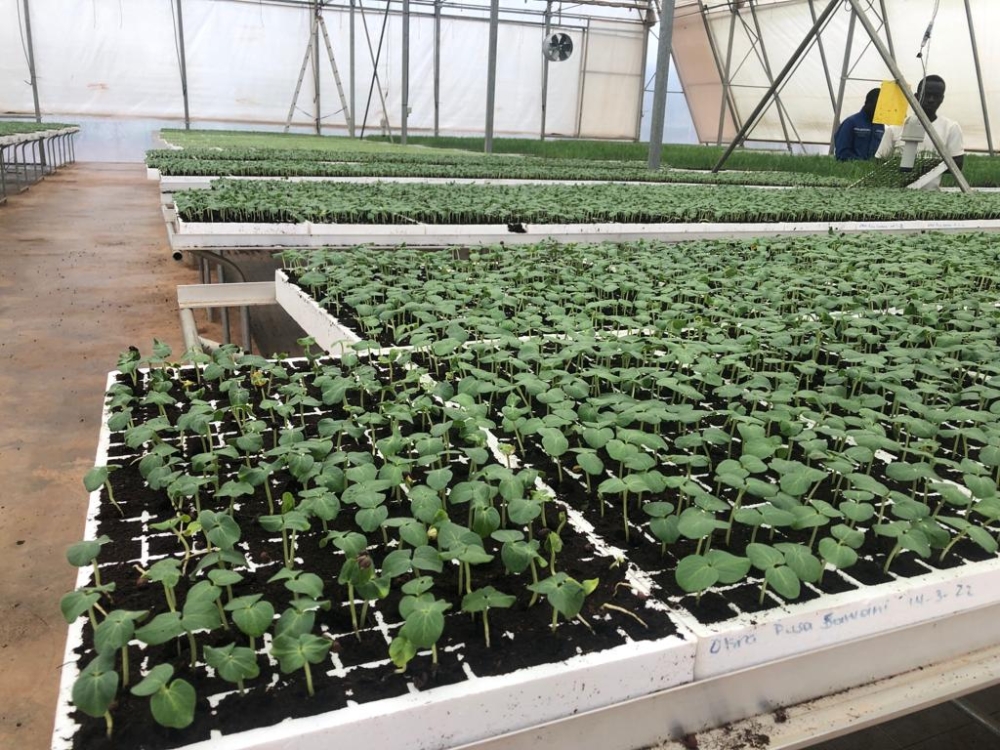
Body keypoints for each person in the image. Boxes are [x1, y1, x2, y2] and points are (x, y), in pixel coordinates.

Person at [874, 75, 964, 189]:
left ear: (941, 99)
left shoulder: (951, 127)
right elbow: (879, 161)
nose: (931, 100)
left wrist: (919, 168)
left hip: (932, 198)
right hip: (896, 196)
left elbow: (957, 163)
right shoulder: (895, 128)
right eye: (927, 95)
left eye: (936, 96)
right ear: (916, 97)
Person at [835, 88, 884, 161]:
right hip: (853, 170)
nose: (879, 110)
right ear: (868, 103)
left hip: (873, 170)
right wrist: (862, 164)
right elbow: (842, 153)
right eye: (876, 107)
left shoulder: (880, 126)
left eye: (882, 107)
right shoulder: (851, 123)